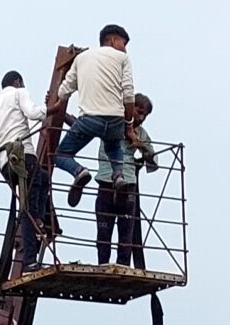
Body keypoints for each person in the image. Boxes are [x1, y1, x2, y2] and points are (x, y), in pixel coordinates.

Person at [52, 27, 137, 205]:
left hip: (89, 120)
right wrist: (129, 126)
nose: (125, 49)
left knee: (60, 154)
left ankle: (79, 171)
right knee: (113, 147)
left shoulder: (81, 58)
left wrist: (58, 102)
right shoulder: (122, 59)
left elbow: (66, 88)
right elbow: (128, 94)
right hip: (115, 120)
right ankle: (118, 176)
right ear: (112, 40)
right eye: (124, 43)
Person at [0, 70, 50, 272]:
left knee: (43, 179)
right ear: (18, 82)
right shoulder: (19, 93)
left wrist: (2, 146)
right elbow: (33, 113)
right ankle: (30, 260)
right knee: (28, 209)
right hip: (24, 156)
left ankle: (38, 216)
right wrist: (50, 109)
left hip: (6, 164)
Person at [96, 96, 156, 265]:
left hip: (128, 183)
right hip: (106, 181)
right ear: (131, 108)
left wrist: (141, 146)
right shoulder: (111, 122)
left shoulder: (141, 133)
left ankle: (123, 265)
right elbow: (88, 126)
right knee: (103, 231)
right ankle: (103, 265)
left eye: (145, 115)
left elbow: (153, 160)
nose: (141, 118)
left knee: (126, 232)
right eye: (139, 112)